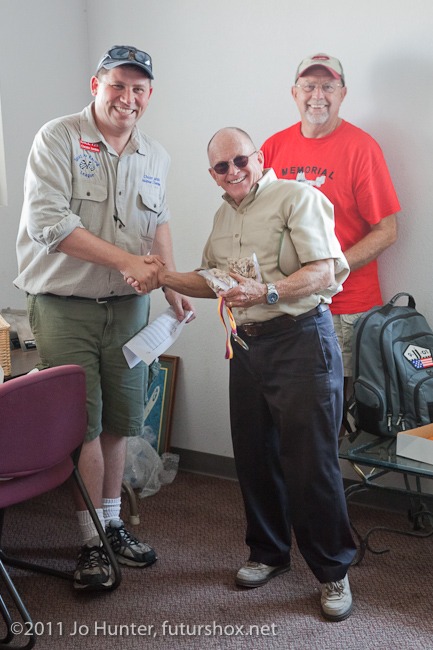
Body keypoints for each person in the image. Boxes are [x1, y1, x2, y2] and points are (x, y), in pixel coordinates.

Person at [136, 127, 357, 621]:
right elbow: (212, 278)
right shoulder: (222, 216)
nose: (233, 171)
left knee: (311, 463)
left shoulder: (297, 197)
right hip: (247, 344)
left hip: (301, 340)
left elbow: (325, 271)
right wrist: (162, 275)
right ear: (212, 174)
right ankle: (269, 553)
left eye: (240, 160)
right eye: (222, 166)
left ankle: (333, 571)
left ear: (258, 158)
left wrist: (268, 292)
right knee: (255, 456)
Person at [14, 45, 194, 591]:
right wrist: (126, 262)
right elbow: (50, 223)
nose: (127, 98)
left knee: (119, 420)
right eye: (118, 85)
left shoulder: (155, 154)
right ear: (96, 85)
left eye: (139, 89)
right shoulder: (59, 137)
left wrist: (171, 284)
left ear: (150, 94)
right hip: (64, 304)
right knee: (82, 424)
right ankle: (90, 541)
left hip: (130, 308)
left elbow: (158, 223)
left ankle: (112, 526)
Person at [261, 53, 400, 393]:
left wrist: (329, 269)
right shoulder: (273, 148)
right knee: (291, 403)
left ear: (343, 93)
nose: (317, 95)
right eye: (309, 86)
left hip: (344, 308)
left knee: (338, 409)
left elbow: (387, 231)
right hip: (285, 306)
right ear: (294, 93)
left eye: (328, 86)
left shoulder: (362, 149)